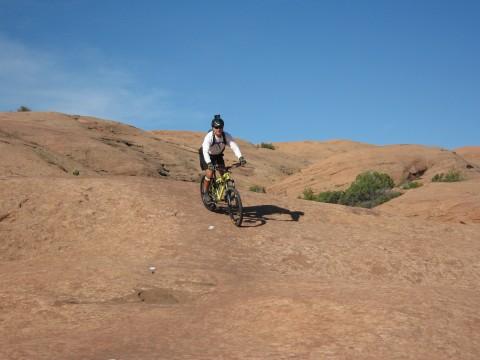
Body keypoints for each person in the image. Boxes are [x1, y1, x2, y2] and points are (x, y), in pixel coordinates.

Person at [199, 114, 246, 204]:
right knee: (210, 172)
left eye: (220, 127)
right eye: (216, 127)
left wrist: (240, 157)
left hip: (218, 155)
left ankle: (226, 192)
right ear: (213, 128)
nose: (219, 129)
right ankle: (205, 193)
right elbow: (205, 151)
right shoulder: (209, 137)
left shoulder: (226, 136)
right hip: (207, 155)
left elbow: (234, 146)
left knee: (224, 173)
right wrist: (209, 163)